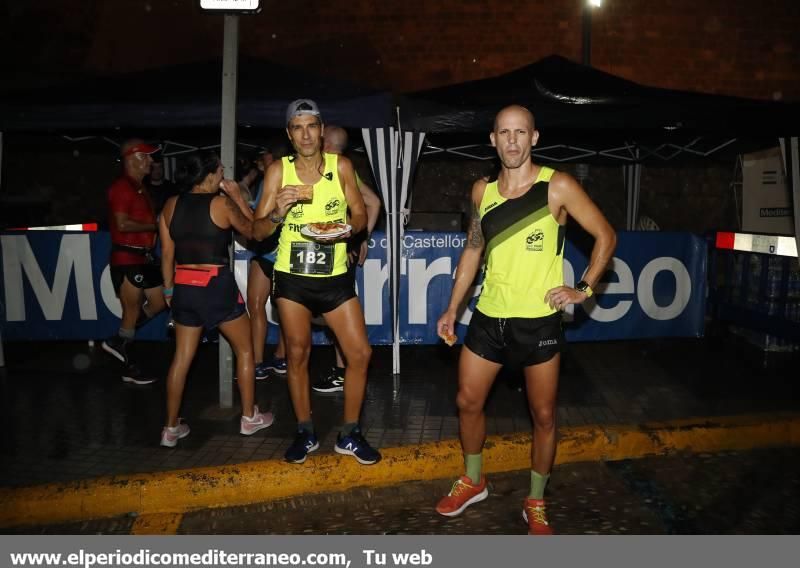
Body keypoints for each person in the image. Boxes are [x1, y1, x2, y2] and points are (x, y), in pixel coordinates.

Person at [434, 105, 616, 534]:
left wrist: (583, 289)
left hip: (539, 324)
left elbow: (606, 235)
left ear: (534, 138)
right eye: (504, 132)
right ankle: (474, 479)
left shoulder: (559, 187)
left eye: (520, 132)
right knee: (467, 401)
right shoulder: (482, 191)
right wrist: (452, 308)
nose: (512, 140)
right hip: (488, 318)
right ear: (493, 140)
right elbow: (473, 250)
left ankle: (535, 499)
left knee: (545, 416)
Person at [253, 99, 380, 465]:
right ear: (289, 134)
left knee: (360, 354)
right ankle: (305, 431)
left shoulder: (341, 166)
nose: (306, 134)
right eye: (298, 127)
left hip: (335, 276)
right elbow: (258, 230)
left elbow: (359, 212)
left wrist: (346, 231)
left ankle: (350, 433)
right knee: (297, 354)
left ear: (322, 130)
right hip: (292, 278)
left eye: (312, 126)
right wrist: (277, 211)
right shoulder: (278, 171)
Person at [157, 151, 274, 447]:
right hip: (215, 286)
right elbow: (256, 231)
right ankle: (249, 417)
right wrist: (239, 199)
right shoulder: (221, 204)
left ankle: (170, 428)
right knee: (245, 351)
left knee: (181, 359)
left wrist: (169, 291)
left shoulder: (170, 205)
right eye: (220, 171)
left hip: (184, 287)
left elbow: (167, 255)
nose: (223, 176)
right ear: (208, 175)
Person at [312, 125, 382, 394]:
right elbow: (373, 203)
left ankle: (344, 372)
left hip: (336, 254)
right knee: (332, 315)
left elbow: (373, 202)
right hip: (330, 253)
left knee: (335, 316)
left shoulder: (339, 168)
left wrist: (359, 237)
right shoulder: (335, 168)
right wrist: (361, 237)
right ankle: (343, 369)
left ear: (325, 141)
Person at [101, 139, 167, 385]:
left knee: (159, 302)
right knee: (131, 311)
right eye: (147, 156)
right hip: (127, 258)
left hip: (144, 258)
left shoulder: (139, 187)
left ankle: (118, 339)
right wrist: (156, 225)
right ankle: (129, 368)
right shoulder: (122, 187)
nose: (152, 161)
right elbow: (121, 224)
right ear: (133, 158)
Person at [246, 148, 287, 380]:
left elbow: (254, 224)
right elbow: (258, 222)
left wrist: (238, 204)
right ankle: (258, 361)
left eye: (268, 156)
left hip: (281, 253)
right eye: (263, 157)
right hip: (265, 252)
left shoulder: (289, 176)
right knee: (257, 305)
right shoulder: (267, 180)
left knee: (285, 309)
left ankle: (279, 357)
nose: (266, 160)